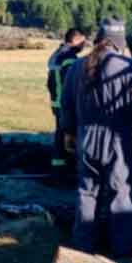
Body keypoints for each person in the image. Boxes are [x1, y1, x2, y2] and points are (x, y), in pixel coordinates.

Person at [61, 17, 132, 259]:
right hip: (118, 139)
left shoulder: (76, 67)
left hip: (85, 138)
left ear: (99, 40)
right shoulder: (128, 67)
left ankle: (82, 250)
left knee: (86, 192)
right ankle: (123, 252)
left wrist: (68, 133)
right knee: (119, 193)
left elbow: (66, 105)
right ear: (118, 43)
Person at [47, 28, 88, 172]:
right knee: (68, 134)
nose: (85, 45)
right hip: (65, 103)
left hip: (56, 101)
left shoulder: (58, 54)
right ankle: (66, 169)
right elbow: (71, 83)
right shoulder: (69, 58)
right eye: (83, 41)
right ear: (76, 40)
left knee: (60, 133)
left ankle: (59, 166)